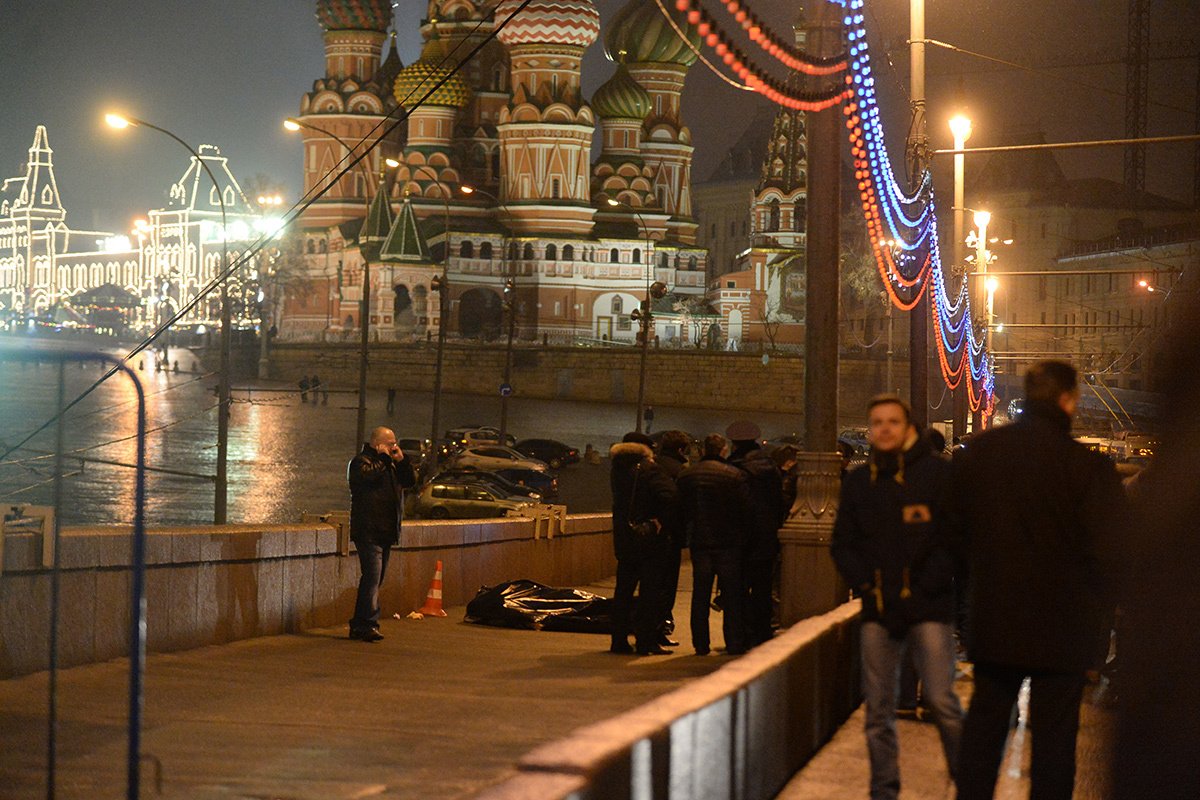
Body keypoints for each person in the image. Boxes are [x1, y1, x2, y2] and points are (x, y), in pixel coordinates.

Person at [950, 361, 1124, 800]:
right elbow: (1112, 554)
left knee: (984, 733)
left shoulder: (982, 455)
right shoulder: (1089, 468)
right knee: (1054, 746)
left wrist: (973, 594)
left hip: (995, 621)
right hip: (1064, 633)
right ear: (1068, 400)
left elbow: (951, 535)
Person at [831, 395, 963, 800]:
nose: (884, 429)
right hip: (879, 607)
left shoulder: (937, 476)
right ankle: (884, 791)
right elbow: (843, 544)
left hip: (929, 608)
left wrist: (928, 585)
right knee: (878, 711)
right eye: (877, 422)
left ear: (908, 428)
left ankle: (969, 782)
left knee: (942, 701)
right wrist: (868, 586)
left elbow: (956, 540)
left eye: (892, 422)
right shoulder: (859, 481)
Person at [677, 433, 751, 656]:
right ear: (723, 450)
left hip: (700, 542)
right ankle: (734, 642)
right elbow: (745, 509)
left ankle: (701, 643)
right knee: (732, 596)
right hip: (729, 543)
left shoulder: (687, 475)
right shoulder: (734, 475)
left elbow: (681, 509)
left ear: (702, 451)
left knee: (700, 595)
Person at [609, 432, 676, 655]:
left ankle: (618, 641)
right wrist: (659, 521)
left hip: (624, 538)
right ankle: (645, 642)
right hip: (649, 542)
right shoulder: (650, 469)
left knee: (623, 592)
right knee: (649, 593)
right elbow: (670, 497)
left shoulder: (617, 468)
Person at [347, 426, 416, 642]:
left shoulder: (393, 465)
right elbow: (366, 479)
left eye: (395, 443)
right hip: (368, 530)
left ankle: (361, 624)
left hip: (386, 530)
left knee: (376, 579)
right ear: (377, 444)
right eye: (390, 443)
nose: (394, 447)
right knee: (371, 577)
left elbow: (410, 481)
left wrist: (402, 461)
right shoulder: (361, 462)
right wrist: (385, 460)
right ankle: (366, 624)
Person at [726, 420, 785, 649]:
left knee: (738, 588)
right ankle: (761, 633)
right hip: (766, 537)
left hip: (740, 538)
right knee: (762, 588)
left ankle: (741, 634)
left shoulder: (734, 467)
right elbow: (779, 502)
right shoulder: (770, 467)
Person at [654, 430, 692, 648]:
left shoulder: (651, 465)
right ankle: (659, 631)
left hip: (650, 534)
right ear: (681, 449)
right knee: (666, 587)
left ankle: (650, 631)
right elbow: (682, 506)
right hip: (671, 536)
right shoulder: (680, 471)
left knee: (651, 585)